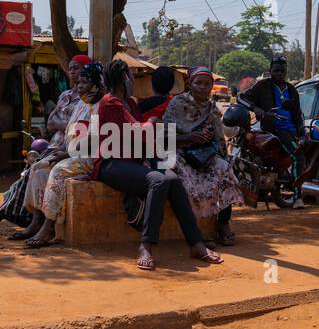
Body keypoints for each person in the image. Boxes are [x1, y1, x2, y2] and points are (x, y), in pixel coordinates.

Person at [94, 58, 222, 271]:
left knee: (172, 178)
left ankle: (196, 243)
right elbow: (140, 130)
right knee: (159, 180)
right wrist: (152, 122)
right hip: (111, 164)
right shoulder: (110, 102)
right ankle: (146, 245)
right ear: (124, 78)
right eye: (131, 76)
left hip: (134, 161)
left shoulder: (132, 103)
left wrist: (158, 158)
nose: (133, 81)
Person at [0, 54, 89, 237]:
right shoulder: (65, 95)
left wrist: (63, 123)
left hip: (67, 149)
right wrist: (65, 123)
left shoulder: (86, 101)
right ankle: (7, 220)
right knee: (24, 178)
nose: (72, 72)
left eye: (77, 68)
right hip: (52, 146)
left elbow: (75, 127)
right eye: (70, 68)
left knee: (29, 174)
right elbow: (50, 122)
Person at [23, 61, 106, 249]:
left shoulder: (100, 106)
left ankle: (49, 226)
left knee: (58, 172)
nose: (80, 85)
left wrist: (65, 154)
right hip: (70, 152)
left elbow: (91, 140)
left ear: (95, 83)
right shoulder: (82, 103)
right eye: (79, 83)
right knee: (38, 167)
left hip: (88, 158)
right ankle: (36, 220)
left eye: (85, 82)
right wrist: (61, 152)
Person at [164, 66, 243, 246]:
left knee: (225, 171)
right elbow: (164, 137)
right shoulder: (177, 104)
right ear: (190, 84)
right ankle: (199, 230)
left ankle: (223, 224)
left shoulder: (212, 109)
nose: (202, 87)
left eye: (207, 84)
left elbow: (219, 138)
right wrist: (189, 137)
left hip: (205, 155)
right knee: (190, 182)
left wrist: (223, 155)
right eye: (198, 83)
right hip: (180, 153)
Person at [240, 55, 304, 195]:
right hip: (274, 129)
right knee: (297, 156)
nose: (279, 73)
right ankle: (295, 194)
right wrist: (256, 109)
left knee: (302, 154)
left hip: (290, 131)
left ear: (286, 71)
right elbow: (241, 97)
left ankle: (299, 192)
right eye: (276, 71)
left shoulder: (292, 90)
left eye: (282, 71)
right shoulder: (262, 86)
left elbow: (298, 113)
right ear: (270, 71)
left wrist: (301, 129)